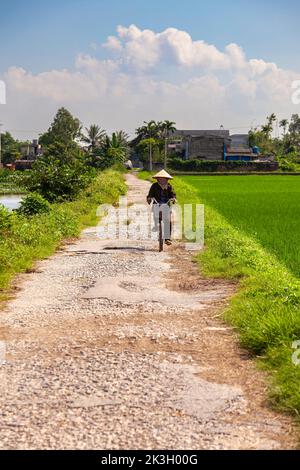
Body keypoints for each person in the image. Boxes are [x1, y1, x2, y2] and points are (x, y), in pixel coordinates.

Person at [147, 170, 176, 246]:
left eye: (164, 179)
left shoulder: (169, 186)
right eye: (160, 178)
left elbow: (173, 195)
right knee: (156, 216)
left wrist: (173, 199)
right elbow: (150, 194)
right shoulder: (154, 186)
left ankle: (167, 239)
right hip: (157, 203)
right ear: (157, 179)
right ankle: (156, 225)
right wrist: (149, 198)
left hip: (166, 204)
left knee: (168, 221)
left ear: (167, 179)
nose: (162, 180)